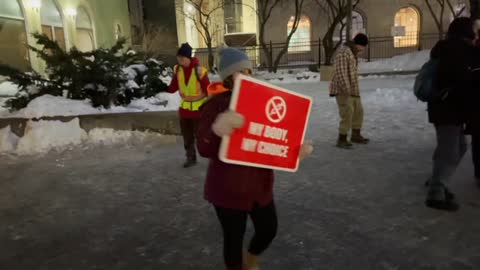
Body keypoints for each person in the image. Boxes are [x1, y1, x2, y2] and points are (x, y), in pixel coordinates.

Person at [196, 48, 314, 270]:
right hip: (227, 189)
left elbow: (274, 136)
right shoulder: (215, 105)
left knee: (268, 229)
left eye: (248, 70)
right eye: (239, 72)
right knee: (233, 240)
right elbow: (203, 146)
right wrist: (218, 130)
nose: (245, 76)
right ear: (228, 77)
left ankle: (251, 259)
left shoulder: (262, 100)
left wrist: (294, 151)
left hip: (259, 187)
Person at [425, 17, 476, 211]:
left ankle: (438, 180)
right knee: (450, 150)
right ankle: (436, 192)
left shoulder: (445, 47)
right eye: (474, 29)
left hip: (444, 107)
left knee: (458, 146)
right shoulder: (458, 51)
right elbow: (461, 81)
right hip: (449, 108)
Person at [168, 43, 210, 168]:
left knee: (201, 137)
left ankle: (211, 156)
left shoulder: (199, 71)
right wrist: (159, 87)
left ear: (189, 57)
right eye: (178, 58)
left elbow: (208, 91)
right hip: (184, 111)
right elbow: (172, 88)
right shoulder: (178, 70)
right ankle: (190, 157)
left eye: (182, 58)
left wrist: (204, 102)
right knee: (187, 138)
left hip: (198, 111)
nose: (180, 61)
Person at [329, 33, 370, 149]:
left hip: (353, 90)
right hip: (343, 90)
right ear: (359, 44)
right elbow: (341, 73)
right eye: (363, 46)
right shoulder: (343, 53)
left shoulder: (352, 53)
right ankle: (342, 139)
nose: (363, 49)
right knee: (347, 112)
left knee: (359, 111)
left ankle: (356, 135)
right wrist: (347, 90)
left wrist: (355, 91)